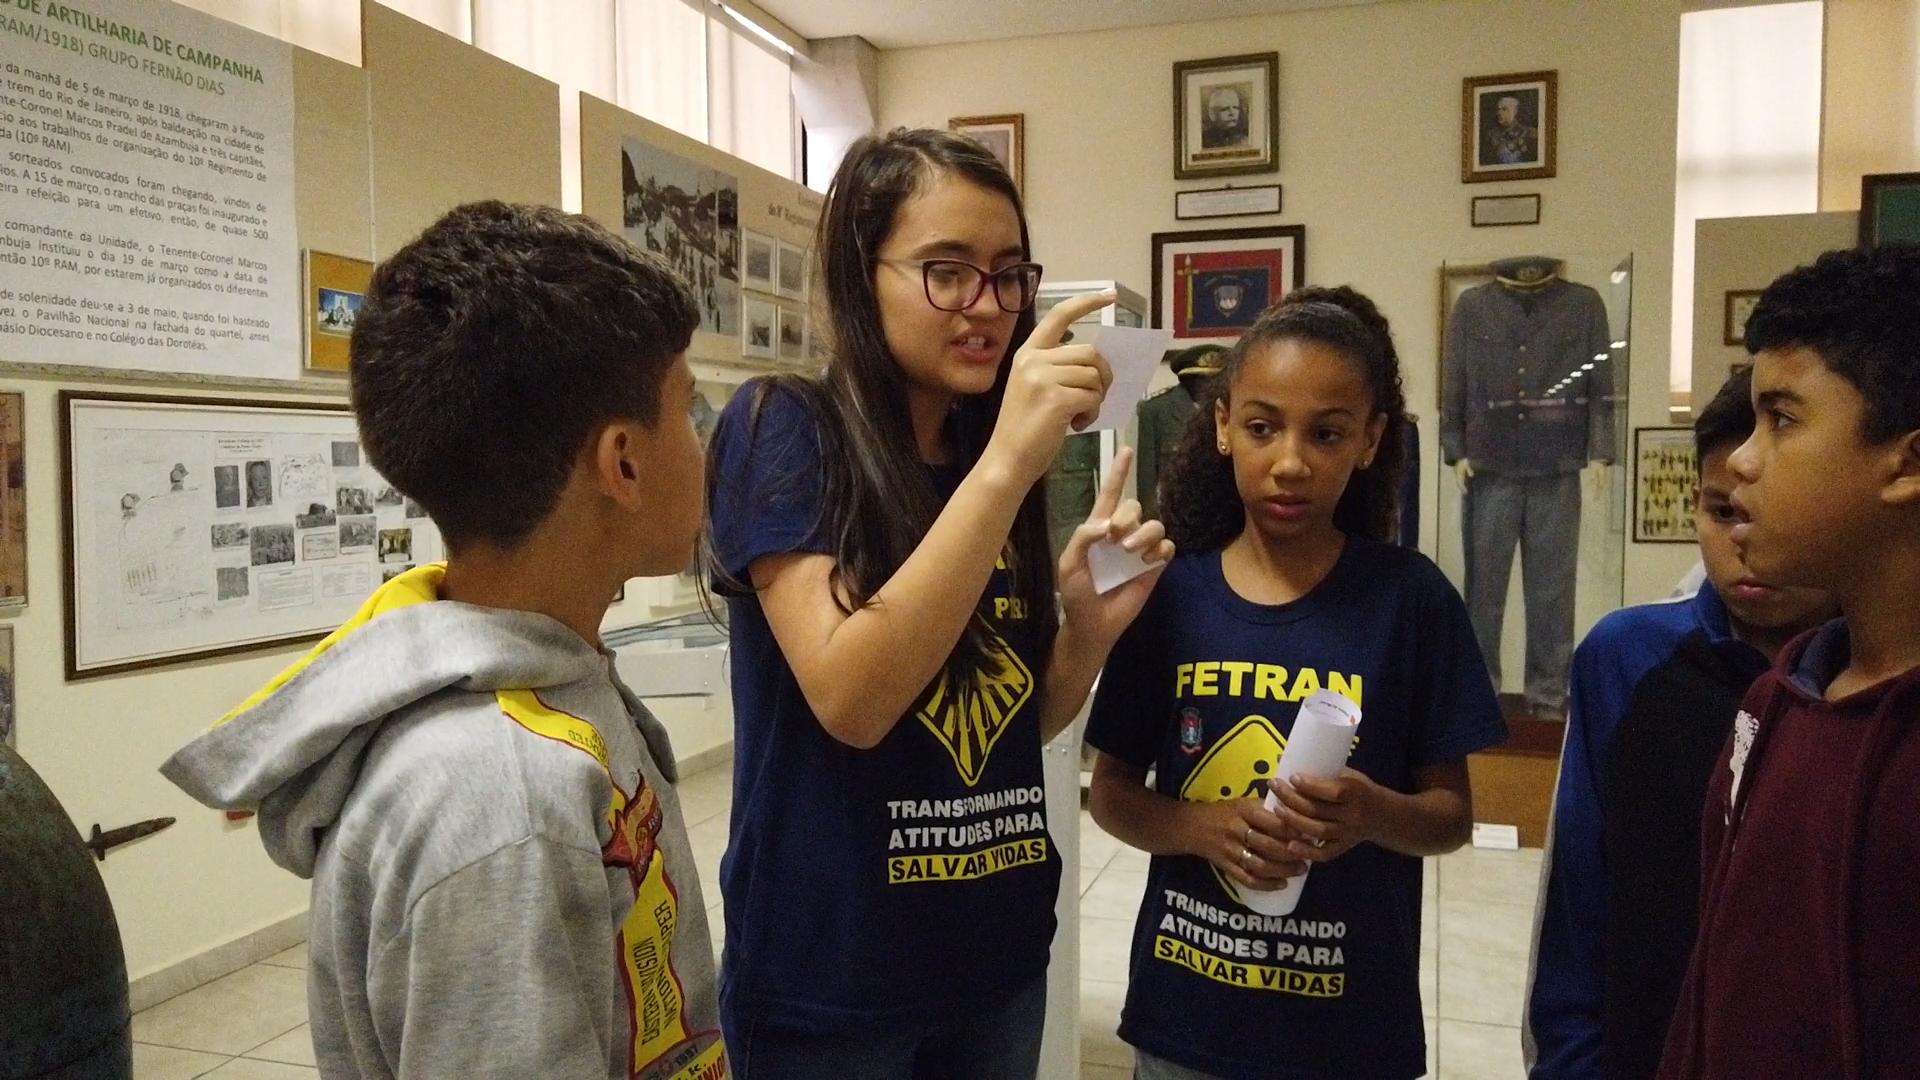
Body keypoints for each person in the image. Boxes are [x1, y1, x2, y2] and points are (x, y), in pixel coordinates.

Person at [161, 202, 728, 1080]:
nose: (704, 447)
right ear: (622, 461)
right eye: (688, 412)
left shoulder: (550, 698)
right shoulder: (502, 801)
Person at [704, 128, 1174, 1079]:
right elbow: (854, 699)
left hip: (995, 957)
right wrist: (1007, 464)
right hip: (832, 982)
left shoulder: (985, 452)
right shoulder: (783, 426)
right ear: (860, 274)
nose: (988, 306)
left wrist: (1085, 635)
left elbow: (1010, 727)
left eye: (1008, 275)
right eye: (947, 272)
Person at [1085, 286, 1508, 1080]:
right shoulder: (1169, 595)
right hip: (1187, 1021)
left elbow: (1450, 817)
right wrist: (1199, 826)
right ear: (1222, 426)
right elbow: (1110, 794)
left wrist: (1371, 812)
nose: (1290, 462)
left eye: (1326, 434)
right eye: (1262, 427)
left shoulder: (1411, 602)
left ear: (1371, 440)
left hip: (1346, 1033)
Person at [1655, 244, 1920, 1080]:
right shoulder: (1772, 705)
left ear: (1907, 463)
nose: (1742, 459)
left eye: (1783, 419)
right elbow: (1717, 977)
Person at [1524, 368, 1834, 1080]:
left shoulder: (1871, 678)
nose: (1745, 540)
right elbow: (1576, 909)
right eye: (1722, 512)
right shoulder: (1625, 659)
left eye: (1776, 511)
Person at [1482, 94, 1538, 165]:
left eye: (1504, 109)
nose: (1499, 113)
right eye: (1498, 109)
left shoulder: (1530, 133)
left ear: (1514, 112)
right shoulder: (1491, 135)